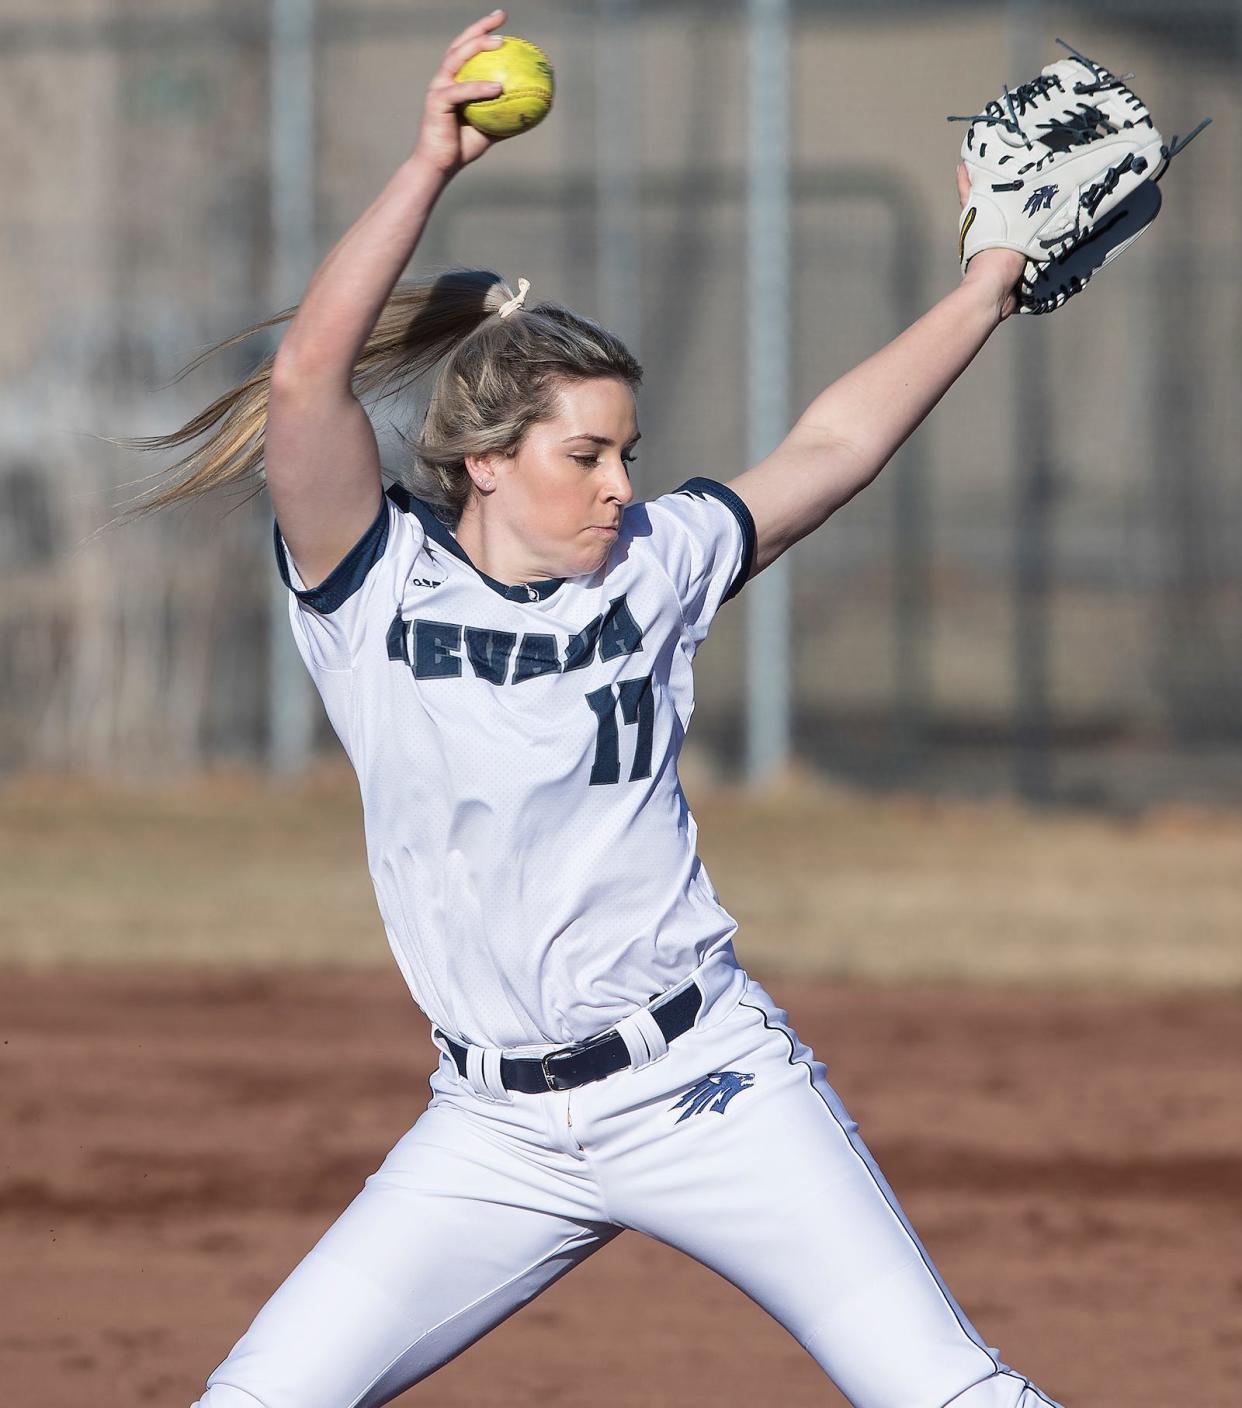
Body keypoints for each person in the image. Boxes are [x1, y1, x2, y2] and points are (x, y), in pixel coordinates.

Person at [137, 11, 1060, 1407]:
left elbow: (833, 444)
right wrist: (426, 166)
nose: (624, 482)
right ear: (487, 464)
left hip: (709, 1088)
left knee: (945, 1394)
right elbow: (303, 382)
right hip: (491, 1132)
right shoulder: (369, 586)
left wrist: (990, 277)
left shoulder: (657, 563)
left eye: (628, 449)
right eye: (587, 452)